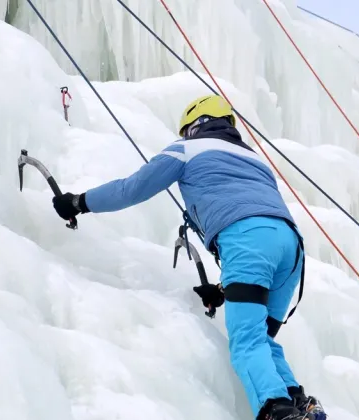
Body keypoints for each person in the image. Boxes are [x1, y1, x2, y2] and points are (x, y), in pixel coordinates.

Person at [51, 95, 326, 420]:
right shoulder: (253, 159)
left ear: (193, 126)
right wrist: (225, 292)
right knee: (261, 337)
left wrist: (79, 203)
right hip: (291, 247)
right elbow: (259, 219)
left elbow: (131, 189)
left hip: (248, 241)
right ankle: (301, 403)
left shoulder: (186, 149)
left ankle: (277, 413)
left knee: (247, 343)